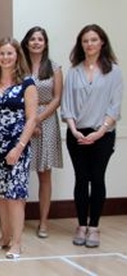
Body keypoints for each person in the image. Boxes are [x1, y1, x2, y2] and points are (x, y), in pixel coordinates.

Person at [62, 24, 122, 248]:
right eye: (85, 41)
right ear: (81, 44)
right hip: (76, 133)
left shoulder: (113, 71)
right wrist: (74, 129)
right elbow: (66, 106)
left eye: (94, 40)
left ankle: (94, 226)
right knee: (81, 178)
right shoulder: (74, 70)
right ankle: (81, 225)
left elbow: (115, 106)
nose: (89, 44)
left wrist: (100, 132)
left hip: (103, 133)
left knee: (97, 178)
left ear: (102, 42)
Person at [0, 38, 38, 259]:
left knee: (14, 196)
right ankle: (4, 238)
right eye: (1, 54)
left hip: (17, 147)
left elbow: (32, 119)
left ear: (17, 56)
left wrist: (19, 147)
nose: (5, 57)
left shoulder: (27, 83)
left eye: (9, 54)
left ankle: (17, 243)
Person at [20, 26, 64, 239]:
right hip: (22, 120)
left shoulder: (54, 67)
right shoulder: (20, 66)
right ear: (26, 42)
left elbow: (56, 99)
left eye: (40, 39)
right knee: (18, 172)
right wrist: (28, 121)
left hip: (46, 121)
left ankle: (43, 221)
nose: (36, 42)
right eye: (32, 39)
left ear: (45, 43)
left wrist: (36, 119)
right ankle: (15, 219)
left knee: (44, 175)